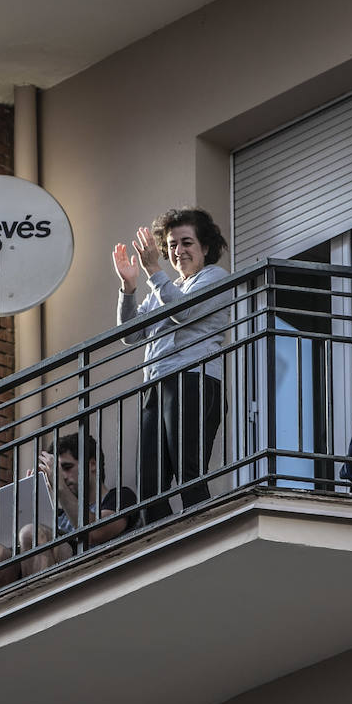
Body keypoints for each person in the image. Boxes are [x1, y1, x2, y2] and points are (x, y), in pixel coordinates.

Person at [113, 206, 230, 524]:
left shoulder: (214, 277)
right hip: (157, 384)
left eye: (187, 242)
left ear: (205, 247)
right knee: (149, 486)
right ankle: (165, 545)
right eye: (173, 244)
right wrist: (129, 288)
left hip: (194, 379)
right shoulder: (161, 289)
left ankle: (204, 536)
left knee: (188, 471)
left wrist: (153, 272)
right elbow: (131, 334)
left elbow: (184, 313)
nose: (179, 251)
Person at [0, 434, 137, 609]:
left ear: (92, 464)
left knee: (32, 532)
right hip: (38, 577)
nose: (62, 477)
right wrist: (32, 500)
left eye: (67, 468)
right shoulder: (58, 516)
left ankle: (37, 610)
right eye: (57, 472)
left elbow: (95, 533)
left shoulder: (119, 497)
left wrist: (59, 489)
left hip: (86, 580)